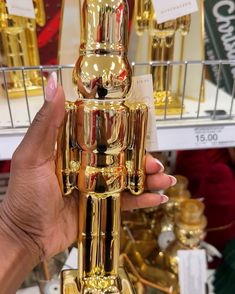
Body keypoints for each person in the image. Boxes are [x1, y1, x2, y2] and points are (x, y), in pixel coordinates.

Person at [0, 73, 176, 293]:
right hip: (87, 180)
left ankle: (107, 278)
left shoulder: (129, 110)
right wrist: (20, 232)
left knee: (110, 234)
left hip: (112, 179)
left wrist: (134, 174)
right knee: (92, 237)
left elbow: (136, 144)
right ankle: (90, 279)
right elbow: (67, 142)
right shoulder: (77, 109)